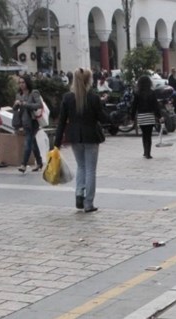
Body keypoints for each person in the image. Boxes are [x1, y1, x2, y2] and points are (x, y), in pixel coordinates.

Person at [53, 68, 108, 213]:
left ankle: (79, 194)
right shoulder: (93, 98)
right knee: (90, 169)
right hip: (91, 136)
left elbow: (62, 122)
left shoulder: (67, 98)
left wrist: (56, 143)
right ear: (89, 80)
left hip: (74, 136)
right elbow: (102, 118)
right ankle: (88, 202)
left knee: (81, 166)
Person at [13, 75, 44, 173]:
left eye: (23, 82)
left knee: (28, 142)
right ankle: (39, 162)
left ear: (27, 83)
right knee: (33, 143)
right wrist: (16, 105)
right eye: (20, 82)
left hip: (33, 121)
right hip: (24, 121)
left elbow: (39, 105)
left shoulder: (33, 93)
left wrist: (26, 104)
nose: (21, 84)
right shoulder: (19, 95)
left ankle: (24, 164)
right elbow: (15, 109)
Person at [130, 75, 163, 159]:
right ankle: (148, 153)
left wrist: (132, 117)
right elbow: (156, 106)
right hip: (150, 116)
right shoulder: (152, 93)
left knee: (144, 135)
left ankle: (145, 151)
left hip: (141, 116)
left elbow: (134, 106)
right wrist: (159, 116)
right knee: (149, 135)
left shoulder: (137, 93)